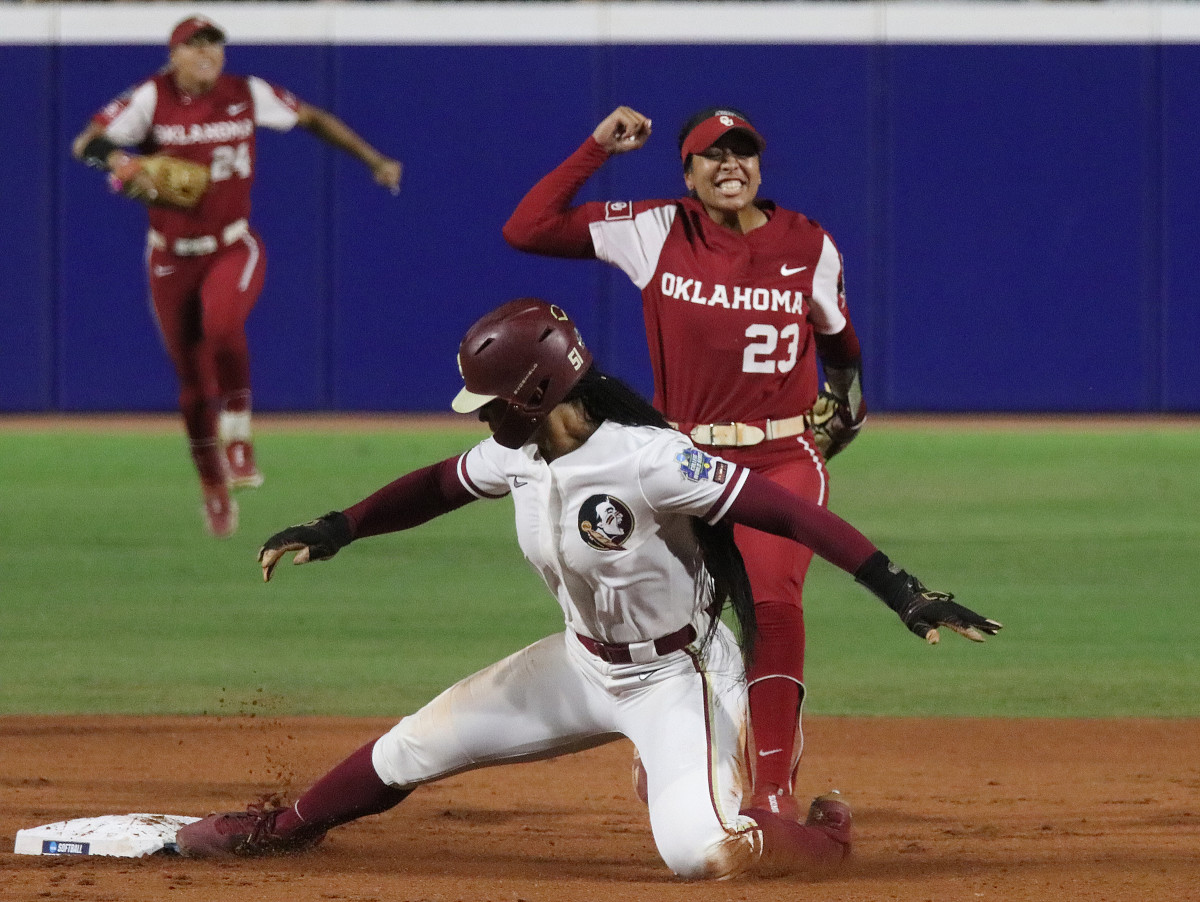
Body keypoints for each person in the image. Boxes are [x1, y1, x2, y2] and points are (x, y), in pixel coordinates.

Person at [174, 298, 1000, 879]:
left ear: (535, 393)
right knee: (408, 749)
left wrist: (905, 591)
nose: (475, 415)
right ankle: (282, 831)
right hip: (581, 665)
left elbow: (790, 515)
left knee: (701, 854)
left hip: (679, 678)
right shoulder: (519, 453)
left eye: (487, 399)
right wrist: (337, 527)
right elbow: (434, 486)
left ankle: (822, 838)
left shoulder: (650, 460)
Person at [503, 106, 866, 817]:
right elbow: (528, 227)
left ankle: (772, 791)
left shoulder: (807, 243)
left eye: (743, 153)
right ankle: (674, 740)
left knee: (772, 602)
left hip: (778, 456)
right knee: (673, 614)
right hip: (679, 458)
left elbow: (840, 338)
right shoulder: (657, 228)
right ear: (687, 172)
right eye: (711, 155)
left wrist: (846, 400)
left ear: (759, 164)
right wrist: (596, 148)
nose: (730, 165)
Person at [70, 15, 403, 538]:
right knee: (191, 387)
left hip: (232, 244)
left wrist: (373, 158)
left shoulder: (245, 92)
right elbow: (86, 142)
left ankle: (241, 433)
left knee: (223, 325)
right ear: (173, 54)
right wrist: (119, 161)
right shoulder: (151, 98)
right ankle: (213, 487)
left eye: (214, 45)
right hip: (169, 256)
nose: (207, 54)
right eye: (195, 46)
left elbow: (311, 118)